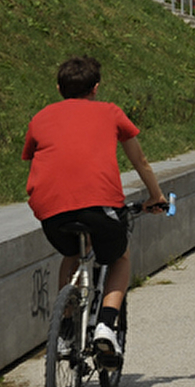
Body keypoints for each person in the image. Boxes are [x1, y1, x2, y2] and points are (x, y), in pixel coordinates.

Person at [23, 56, 167, 366]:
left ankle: (64, 333)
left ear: (59, 87)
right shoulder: (110, 112)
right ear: (96, 88)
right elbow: (139, 161)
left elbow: (36, 155)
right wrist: (156, 196)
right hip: (99, 204)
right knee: (120, 257)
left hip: (50, 211)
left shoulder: (41, 117)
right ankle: (105, 325)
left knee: (72, 255)